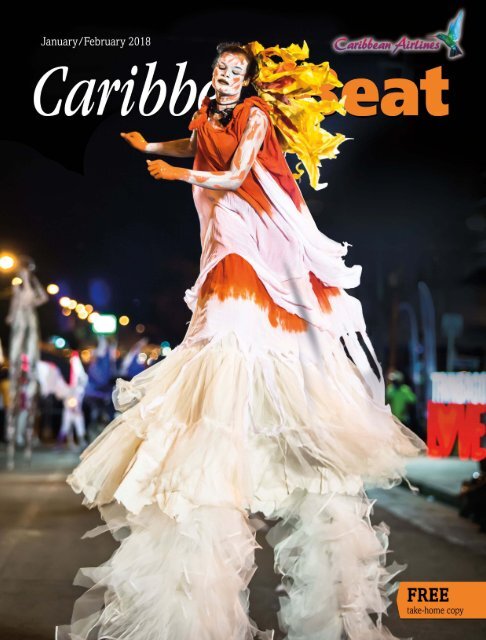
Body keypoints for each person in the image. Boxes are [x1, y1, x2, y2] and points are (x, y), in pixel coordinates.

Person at [55, 41, 428, 640]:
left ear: (248, 79)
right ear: (212, 75)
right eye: (220, 69)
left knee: (237, 339)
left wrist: (174, 172)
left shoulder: (253, 116)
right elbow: (196, 143)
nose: (225, 77)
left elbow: (232, 173)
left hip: (247, 237)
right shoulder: (208, 109)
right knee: (216, 355)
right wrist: (152, 145)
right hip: (216, 238)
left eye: (235, 71)